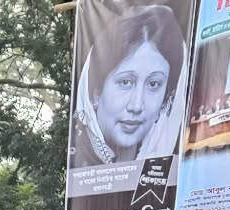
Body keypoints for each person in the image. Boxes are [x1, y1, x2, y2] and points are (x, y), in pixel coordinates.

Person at [70, 3, 186, 168]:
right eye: (125, 82)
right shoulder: (74, 165)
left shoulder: (173, 166)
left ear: (167, 99)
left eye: (153, 84)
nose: (136, 106)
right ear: (96, 92)